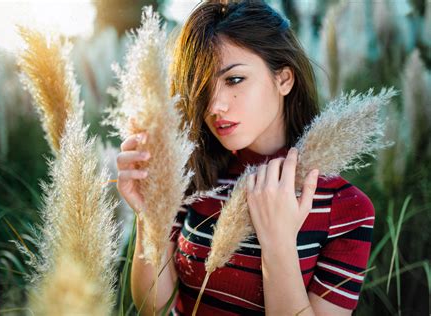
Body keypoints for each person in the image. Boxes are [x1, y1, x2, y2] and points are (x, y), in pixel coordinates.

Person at [116, 1, 375, 315]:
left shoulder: (345, 207)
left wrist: (277, 244)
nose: (214, 105)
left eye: (233, 80)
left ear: (284, 79)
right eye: (202, 87)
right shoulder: (193, 178)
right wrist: (150, 218)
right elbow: (154, 309)